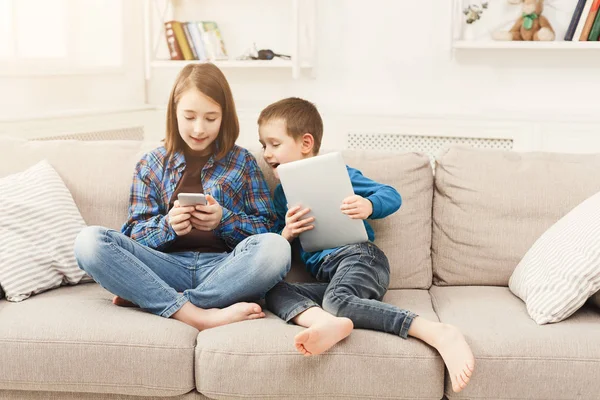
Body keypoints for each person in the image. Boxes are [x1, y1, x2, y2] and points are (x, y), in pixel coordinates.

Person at [258, 97, 475, 393]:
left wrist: (368, 205)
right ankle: (326, 320)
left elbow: (390, 195)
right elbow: (273, 248)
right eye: (263, 145)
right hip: (333, 277)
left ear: (305, 143)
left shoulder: (340, 174)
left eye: (274, 144)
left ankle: (435, 332)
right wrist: (287, 234)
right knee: (271, 289)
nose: (266, 153)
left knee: (337, 300)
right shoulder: (282, 195)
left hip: (361, 258)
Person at [74, 63, 291, 331]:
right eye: (189, 117)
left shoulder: (242, 162)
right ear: (174, 113)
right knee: (89, 242)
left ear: (225, 117)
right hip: (163, 267)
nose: (199, 129)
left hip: (223, 267)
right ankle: (200, 314)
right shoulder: (151, 164)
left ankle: (160, 299)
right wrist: (168, 226)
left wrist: (224, 220)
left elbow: (268, 229)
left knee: (277, 248)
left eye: (211, 118)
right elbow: (132, 235)